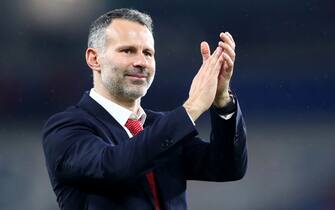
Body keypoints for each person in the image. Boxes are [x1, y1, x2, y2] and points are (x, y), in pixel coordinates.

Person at [42, 8, 247, 210]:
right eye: (127, 50)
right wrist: (191, 108)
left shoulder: (160, 127)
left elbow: (227, 167)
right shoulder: (66, 128)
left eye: (148, 53)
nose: (141, 62)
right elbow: (112, 167)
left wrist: (222, 100)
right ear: (94, 59)